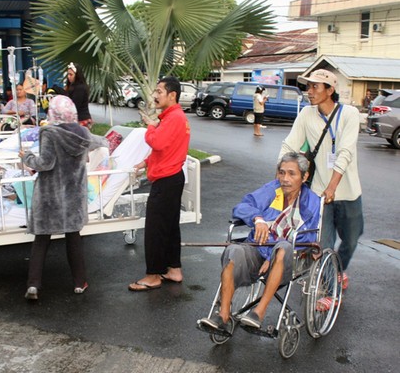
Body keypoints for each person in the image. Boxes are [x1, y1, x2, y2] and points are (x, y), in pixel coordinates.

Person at [199, 152, 321, 331]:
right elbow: (242, 207)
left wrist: (272, 257)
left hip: (287, 258)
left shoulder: (311, 202)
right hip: (259, 249)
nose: (284, 179)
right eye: (281, 172)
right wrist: (258, 219)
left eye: (291, 174)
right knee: (234, 250)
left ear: (305, 177)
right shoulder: (272, 190)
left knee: (283, 247)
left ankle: (259, 312)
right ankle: (223, 315)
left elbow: (307, 238)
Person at [279, 69, 361, 291]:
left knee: (352, 239)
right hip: (318, 193)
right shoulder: (307, 114)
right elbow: (290, 145)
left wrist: (333, 186)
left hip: (348, 191)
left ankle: (337, 270)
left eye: (315, 86)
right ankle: (328, 288)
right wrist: (280, 172)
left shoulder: (350, 114)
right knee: (322, 245)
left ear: (330, 90)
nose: (310, 91)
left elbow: (345, 152)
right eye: (308, 86)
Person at [19, 95, 106, 300]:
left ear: (53, 113)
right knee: (73, 239)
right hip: (73, 196)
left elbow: (46, 163)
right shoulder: (83, 133)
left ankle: (33, 285)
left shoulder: (49, 132)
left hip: (50, 196)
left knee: (41, 240)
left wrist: (27, 158)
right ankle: (79, 283)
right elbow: (99, 142)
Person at [128, 76, 190, 291]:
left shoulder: (174, 118)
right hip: (171, 177)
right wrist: (146, 163)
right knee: (170, 226)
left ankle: (153, 275)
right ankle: (174, 269)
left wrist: (150, 126)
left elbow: (157, 142)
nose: (155, 95)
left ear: (172, 95)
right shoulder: (174, 117)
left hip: (167, 180)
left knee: (155, 228)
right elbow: (166, 149)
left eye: (159, 91)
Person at [65, 62, 92, 128]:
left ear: (77, 75)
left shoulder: (80, 88)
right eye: (68, 74)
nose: (69, 77)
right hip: (77, 119)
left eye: (71, 75)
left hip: (82, 120)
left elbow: (75, 105)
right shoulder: (72, 86)